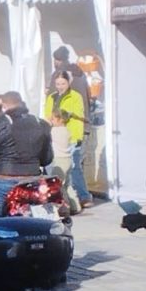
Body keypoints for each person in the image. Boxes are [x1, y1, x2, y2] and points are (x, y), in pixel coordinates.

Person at [0, 91, 53, 212]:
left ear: (4, 106)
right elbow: (47, 158)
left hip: (4, 177)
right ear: (22, 103)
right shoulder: (41, 124)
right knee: (37, 218)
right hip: (32, 178)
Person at [44, 70, 90, 209]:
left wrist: (66, 116)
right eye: (57, 83)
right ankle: (72, 202)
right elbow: (47, 115)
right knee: (60, 172)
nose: (60, 86)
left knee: (74, 167)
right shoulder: (51, 97)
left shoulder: (75, 96)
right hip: (55, 134)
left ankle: (83, 196)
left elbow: (79, 114)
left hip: (71, 134)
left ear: (69, 82)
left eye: (62, 83)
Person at [48, 111, 82, 215]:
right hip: (67, 159)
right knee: (67, 185)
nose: (51, 120)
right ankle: (75, 205)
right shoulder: (67, 131)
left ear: (60, 120)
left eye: (53, 119)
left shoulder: (55, 131)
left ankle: (64, 208)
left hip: (59, 160)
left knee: (58, 185)